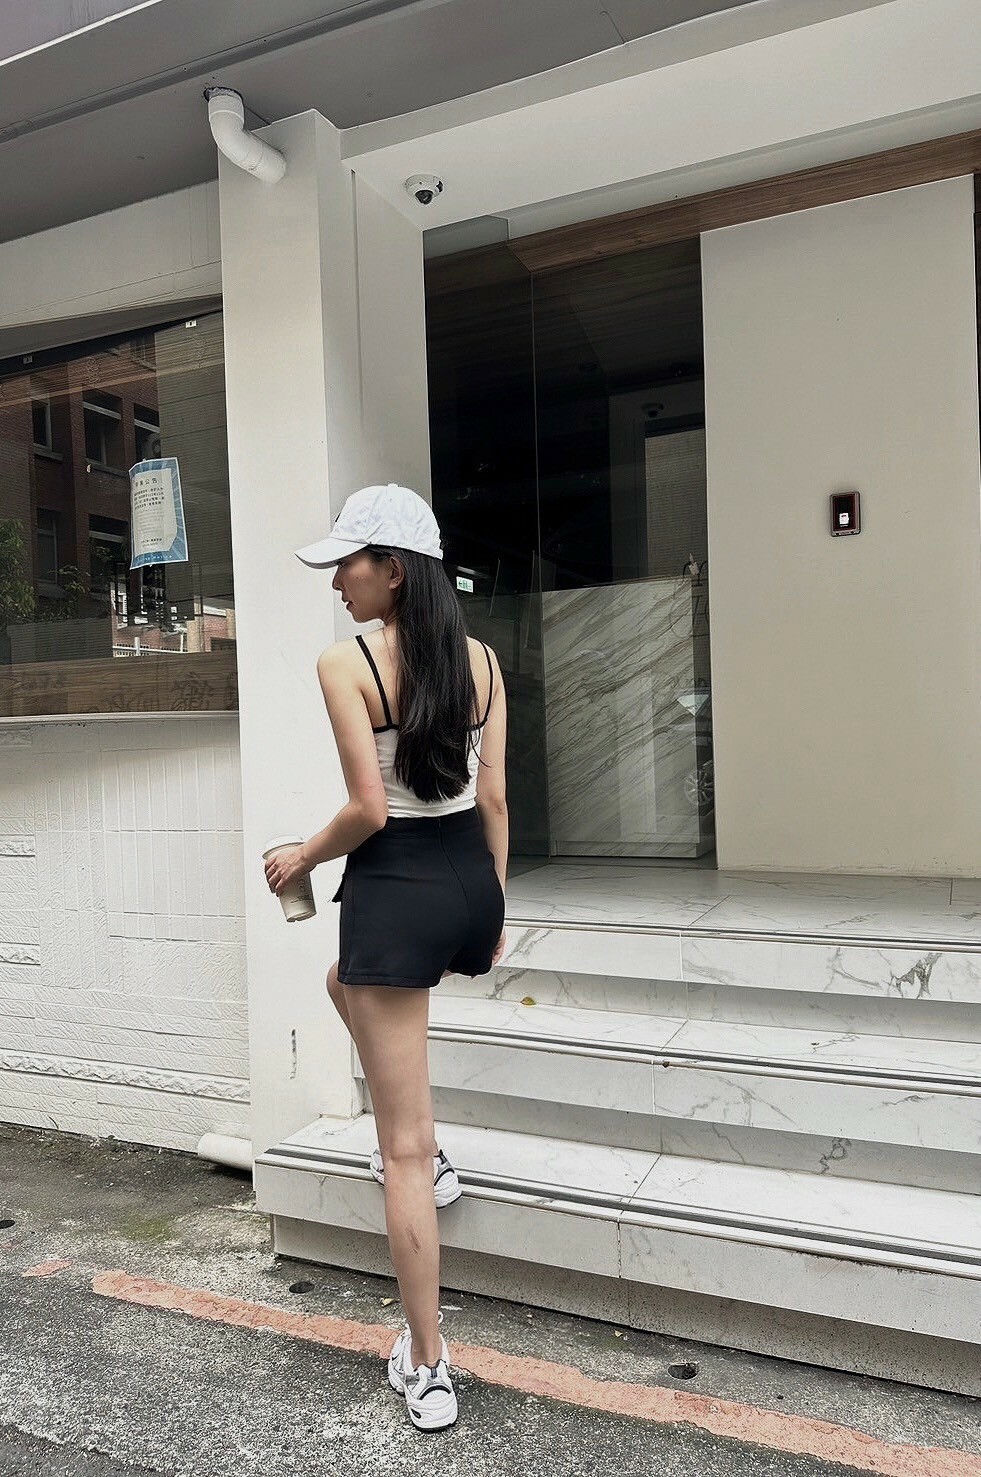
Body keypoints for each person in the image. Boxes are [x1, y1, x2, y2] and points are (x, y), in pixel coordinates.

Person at [263, 483, 508, 1432]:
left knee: (399, 1149)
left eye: (347, 566)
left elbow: (370, 810)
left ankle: (430, 1362)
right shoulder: (483, 659)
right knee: (344, 983)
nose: (338, 584)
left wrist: (300, 856)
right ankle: (427, 1151)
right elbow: (494, 798)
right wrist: (492, 907)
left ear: (392, 569)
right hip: (467, 886)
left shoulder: (348, 661)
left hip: (398, 888)